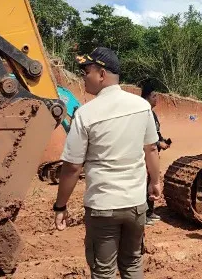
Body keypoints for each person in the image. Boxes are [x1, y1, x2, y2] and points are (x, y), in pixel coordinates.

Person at [53, 47, 161, 279]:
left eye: (86, 71)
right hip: (135, 205)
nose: (83, 76)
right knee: (132, 264)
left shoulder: (85, 114)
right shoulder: (142, 107)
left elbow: (72, 167)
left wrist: (60, 206)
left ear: (101, 74)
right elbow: (151, 148)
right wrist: (155, 182)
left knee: (103, 271)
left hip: (103, 207)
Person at [141, 85, 172, 226]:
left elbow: (156, 133)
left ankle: (149, 212)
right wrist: (159, 144)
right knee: (146, 184)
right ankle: (143, 215)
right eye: (154, 96)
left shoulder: (152, 113)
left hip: (153, 152)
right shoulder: (143, 112)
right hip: (145, 155)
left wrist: (162, 140)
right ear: (146, 97)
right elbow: (145, 136)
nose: (157, 99)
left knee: (151, 182)